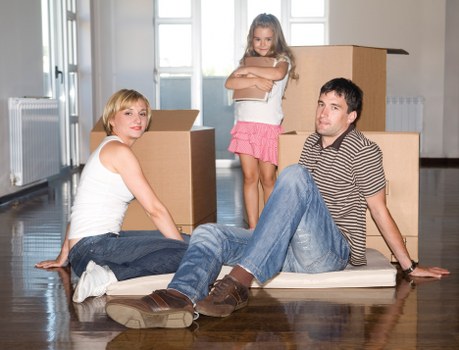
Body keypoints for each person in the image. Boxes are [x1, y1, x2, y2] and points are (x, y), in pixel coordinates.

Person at [105, 78, 450, 329]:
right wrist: (263, 234)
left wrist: (408, 265)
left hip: (330, 252)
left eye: (334, 108)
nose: (323, 113)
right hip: (288, 252)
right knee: (209, 232)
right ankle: (180, 298)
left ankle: (238, 283)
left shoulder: (365, 151)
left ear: (352, 116)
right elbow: (290, 210)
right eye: (321, 104)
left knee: (294, 175)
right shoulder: (313, 143)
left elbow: (378, 209)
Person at [35, 89, 189, 303]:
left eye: (142, 114)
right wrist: (181, 251)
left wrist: (65, 256)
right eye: (128, 113)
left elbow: (78, 208)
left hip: (89, 249)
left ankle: (103, 272)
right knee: (189, 253)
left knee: (193, 242)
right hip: (95, 249)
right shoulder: (119, 151)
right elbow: (154, 209)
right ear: (111, 120)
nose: (137, 119)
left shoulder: (107, 147)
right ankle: (109, 276)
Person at [226, 13, 298, 229]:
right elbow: (230, 83)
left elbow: (276, 74)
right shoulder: (246, 62)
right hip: (246, 127)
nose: (263, 44)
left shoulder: (282, 61)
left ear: (276, 38)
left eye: (268, 39)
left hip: (268, 129)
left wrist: (247, 72)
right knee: (249, 177)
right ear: (251, 39)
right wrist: (254, 77)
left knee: (268, 179)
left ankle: (270, 226)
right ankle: (253, 227)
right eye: (258, 39)